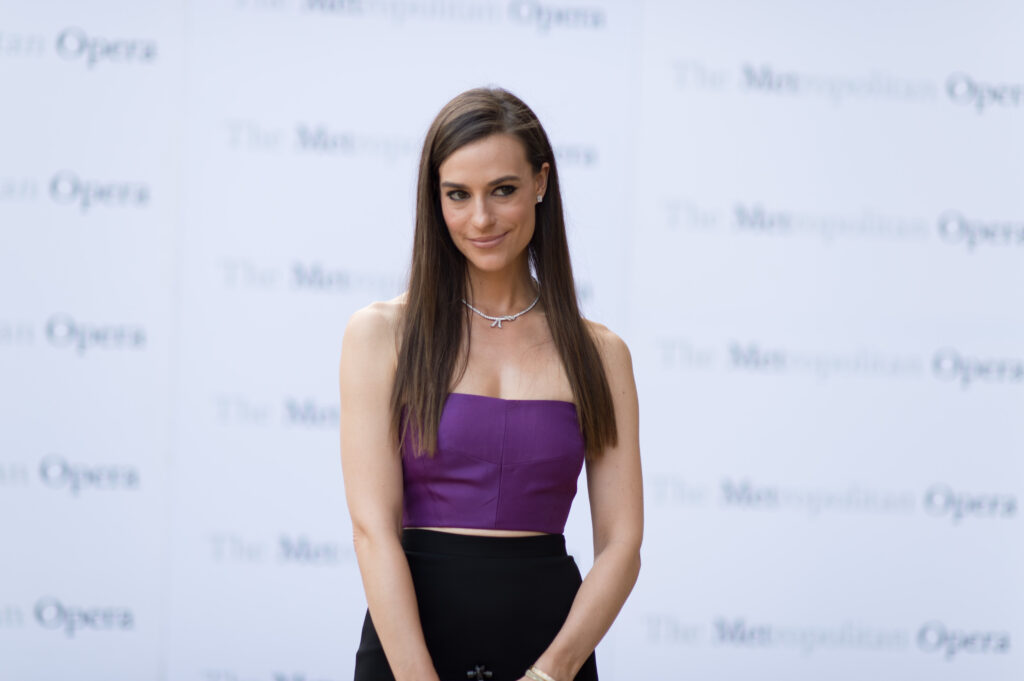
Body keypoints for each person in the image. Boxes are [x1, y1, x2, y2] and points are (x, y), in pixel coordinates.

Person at [338, 87, 642, 681]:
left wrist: (552, 672)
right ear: (437, 200)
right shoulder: (381, 335)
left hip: (553, 648)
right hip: (408, 655)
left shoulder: (601, 355)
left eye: (502, 189)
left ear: (540, 183)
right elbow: (373, 530)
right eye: (458, 195)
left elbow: (622, 543)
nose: (481, 218)